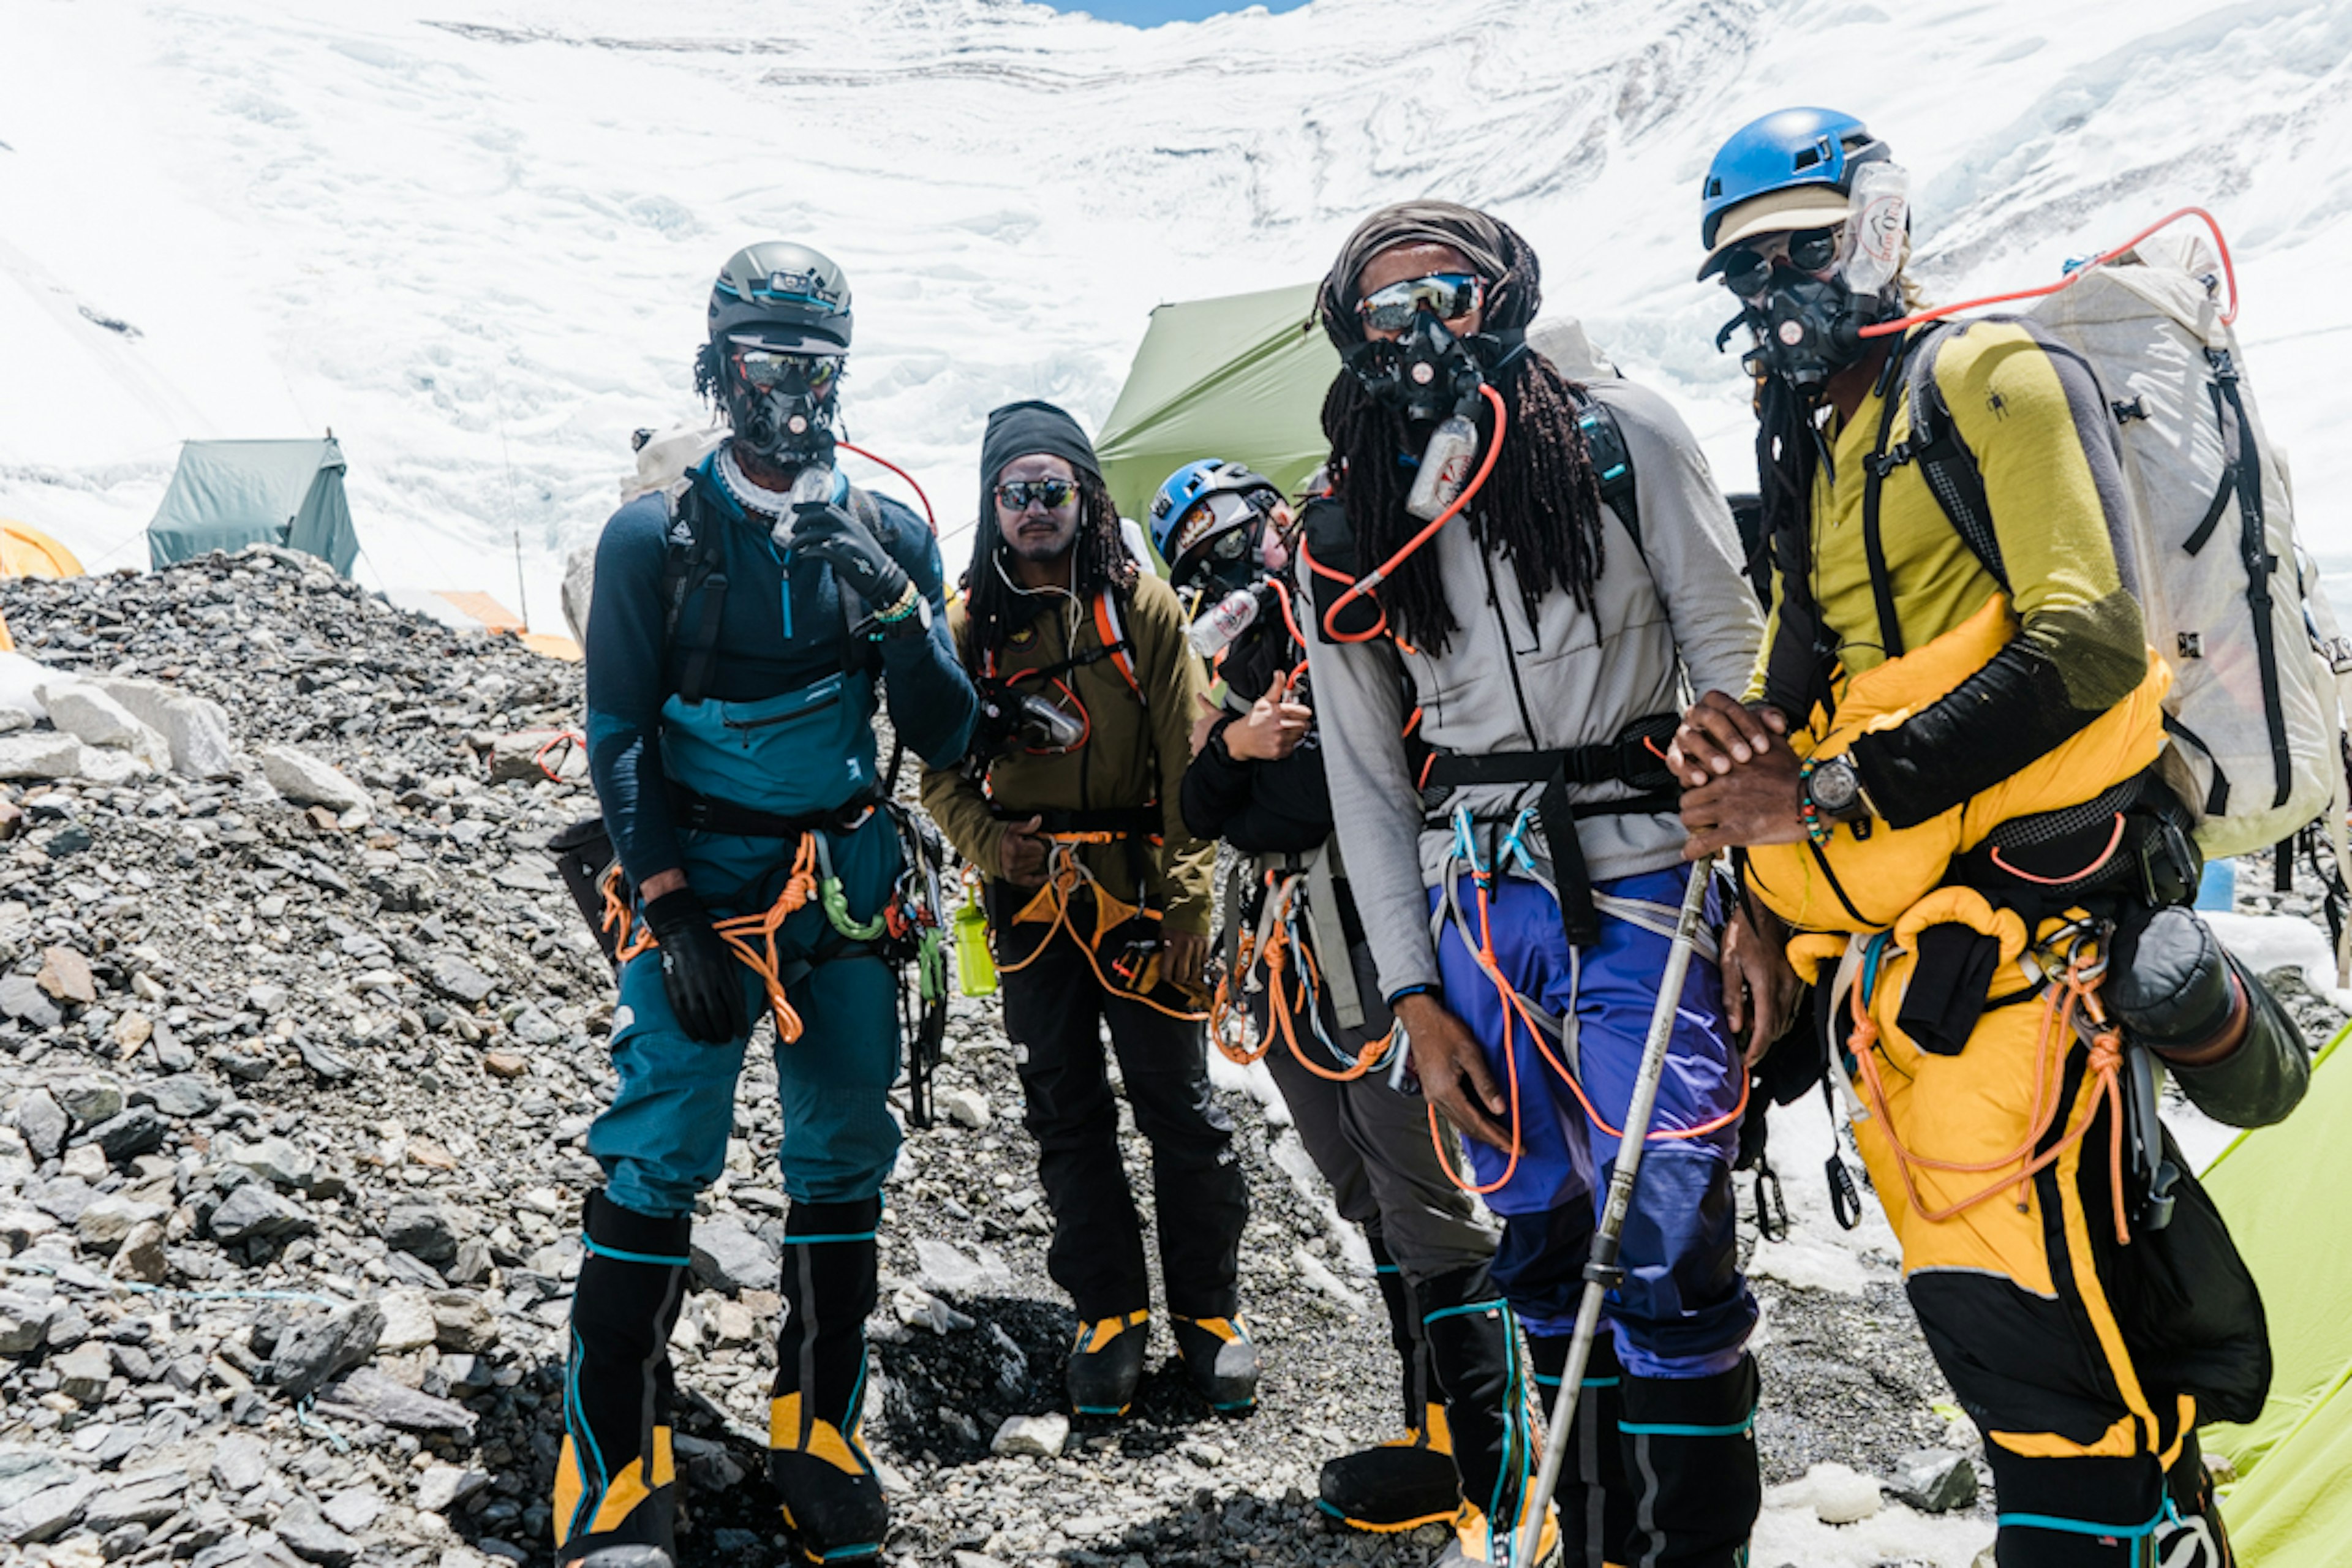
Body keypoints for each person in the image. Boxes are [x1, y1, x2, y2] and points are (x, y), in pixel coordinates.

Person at [1676, 108, 2285, 1567]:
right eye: (1745, 273)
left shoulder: (1995, 377)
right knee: (1986, 1284)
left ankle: (2114, 1535)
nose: (1777, 296)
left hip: (2039, 912)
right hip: (1915, 950)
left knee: (2043, 1289)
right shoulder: (1828, 445)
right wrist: (1745, 791)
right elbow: (1799, 680)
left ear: (1877, 232)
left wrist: (1822, 800)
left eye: (1801, 252)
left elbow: (2086, 642)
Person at [1303, 202, 1770, 1568]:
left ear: (1501, 293)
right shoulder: (1346, 516)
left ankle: (1694, 1548)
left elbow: (1726, 648)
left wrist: (1764, 900)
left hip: (1646, 879)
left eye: (1446, 292)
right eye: (1387, 310)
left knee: (1670, 1226)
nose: (1420, 329)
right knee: (1547, 1229)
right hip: (1475, 918)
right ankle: (1600, 1543)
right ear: (1354, 330)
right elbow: (1366, 781)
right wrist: (1412, 999)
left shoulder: (1625, 436)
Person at [563, 241, 977, 1568]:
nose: (787, 392)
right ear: (718, 364)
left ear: (840, 374)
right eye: (763, 362)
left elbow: (949, 728)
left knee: (844, 1143)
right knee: (660, 1143)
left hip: (846, 883)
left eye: (811, 367)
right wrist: (670, 906)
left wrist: (898, 601)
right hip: (706, 877)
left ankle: (821, 1425)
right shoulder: (653, 536)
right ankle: (613, 1456)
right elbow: (620, 729)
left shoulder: (893, 533)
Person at [1156, 459, 1516, 1544]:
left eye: (1233, 528)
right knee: (1361, 1177)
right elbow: (1199, 805)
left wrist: (1263, 749)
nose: (1224, 557)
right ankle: (1434, 1436)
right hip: (1292, 943)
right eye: (1196, 552)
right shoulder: (1247, 669)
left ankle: (1495, 1469)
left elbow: (1346, 780)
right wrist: (1237, 739)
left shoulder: (1350, 616)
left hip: (1364, 918)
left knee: (1418, 1178)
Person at [919, 402, 1256, 1420]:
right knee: (1065, 1115)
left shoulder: (1142, 611)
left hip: (1143, 901)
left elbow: (1187, 766)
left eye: (1051, 491)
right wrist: (989, 843)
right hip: (1029, 907)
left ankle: (1209, 1318)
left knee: (1181, 1112)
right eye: (1015, 494)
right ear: (993, 504)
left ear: (1084, 498)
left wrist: (1192, 907)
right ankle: (1108, 1315)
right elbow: (940, 776)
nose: (1032, 511)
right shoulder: (966, 622)